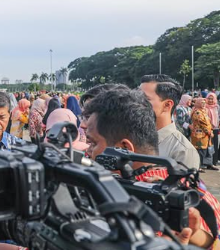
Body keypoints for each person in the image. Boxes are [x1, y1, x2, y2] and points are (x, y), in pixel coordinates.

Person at [83, 88, 220, 249]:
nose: (87, 151)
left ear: (125, 149)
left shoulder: (138, 205)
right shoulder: (187, 182)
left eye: (93, 143)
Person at [140, 74, 200, 169]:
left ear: (167, 105)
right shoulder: (131, 138)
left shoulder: (183, 151)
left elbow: (183, 183)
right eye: (136, 97)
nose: (136, 103)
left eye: (145, 99)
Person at [191, 98, 218, 171]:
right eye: (202, 103)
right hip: (199, 135)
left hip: (206, 134)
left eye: (204, 103)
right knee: (199, 150)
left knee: (208, 150)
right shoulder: (197, 112)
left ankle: (209, 164)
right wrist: (209, 131)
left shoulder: (203, 111)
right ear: (198, 103)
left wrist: (210, 131)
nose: (203, 104)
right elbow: (202, 124)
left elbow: (208, 122)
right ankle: (198, 166)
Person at [206, 92, 220, 166]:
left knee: (215, 145)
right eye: (209, 98)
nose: (210, 100)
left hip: (216, 128)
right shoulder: (205, 107)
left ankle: (214, 161)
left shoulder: (217, 107)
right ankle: (208, 162)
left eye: (212, 99)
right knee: (208, 146)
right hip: (207, 129)